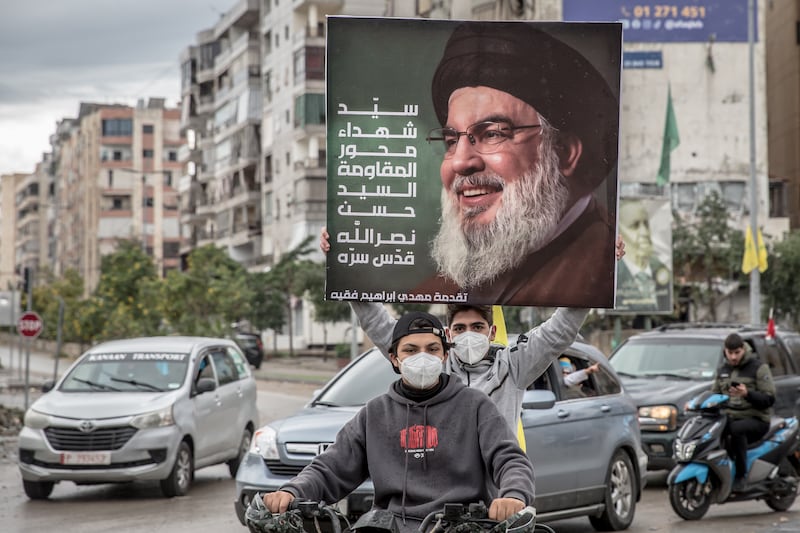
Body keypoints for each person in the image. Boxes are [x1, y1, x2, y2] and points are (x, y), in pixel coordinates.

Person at [321, 229, 625, 435]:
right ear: (448, 334)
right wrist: (344, 262)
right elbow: (378, 324)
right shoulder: (432, 366)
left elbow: (560, 330)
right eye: (461, 328)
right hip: (441, 493)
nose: (469, 334)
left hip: (497, 491)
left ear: (491, 331)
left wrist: (599, 269)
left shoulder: (514, 366)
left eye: (477, 327)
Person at [260, 311, 534, 533]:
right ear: (394, 358)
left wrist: (513, 495)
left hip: (462, 526)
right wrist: (292, 491)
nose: (422, 357)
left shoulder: (474, 405)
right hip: (388, 525)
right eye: (411, 350)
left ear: (445, 354)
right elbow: (331, 467)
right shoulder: (375, 413)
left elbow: (509, 458)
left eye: (432, 348)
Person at [414, 21, 620, 307]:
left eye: (492, 134)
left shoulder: (604, 270)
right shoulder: (443, 286)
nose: (461, 161)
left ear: (564, 153)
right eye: (451, 140)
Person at [710, 333, 775, 492]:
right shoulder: (723, 370)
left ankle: (741, 475)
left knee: (736, 430)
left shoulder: (758, 367)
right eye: (729, 353)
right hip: (730, 418)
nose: (733, 357)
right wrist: (695, 404)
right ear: (725, 351)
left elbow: (769, 399)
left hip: (757, 420)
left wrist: (748, 394)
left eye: (736, 352)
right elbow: (714, 395)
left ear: (743, 350)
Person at [615, 199, 671, 312]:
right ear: (619, 233)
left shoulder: (662, 270)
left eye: (646, 224)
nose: (644, 233)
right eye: (634, 226)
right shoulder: (613, 274)